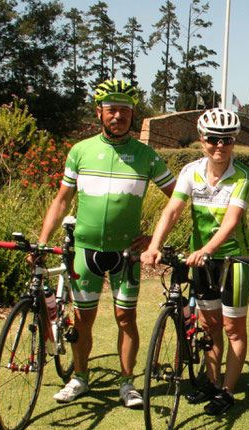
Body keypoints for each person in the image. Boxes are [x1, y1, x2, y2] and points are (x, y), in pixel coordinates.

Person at [39, 78, 176, 408]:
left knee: (125, 318)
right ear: (99, 112)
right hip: (86, 250)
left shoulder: (146, 156)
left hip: (126, 253)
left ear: (132, 114)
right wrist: (43, 242)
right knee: (84, 320)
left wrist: (155, 239)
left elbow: (177, 200)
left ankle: (127, 383)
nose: (118, 116)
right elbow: (61, 201)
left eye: (125, 110)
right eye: (111, 110)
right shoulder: (80, 151)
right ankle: (80, 378)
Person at [141, 108, 249, 416]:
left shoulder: (243, 174)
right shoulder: (191, 170)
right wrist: (153, 245)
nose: (220, 146)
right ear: (202, 140)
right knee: (209, 326)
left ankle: (228, 391)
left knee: (233, 329)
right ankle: (212, 382)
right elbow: (173, 211)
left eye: (227, 140)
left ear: (234, 142)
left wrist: (206, 249)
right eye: (213, 140)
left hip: (234, 261)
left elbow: (231, 221)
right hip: (201, 261)